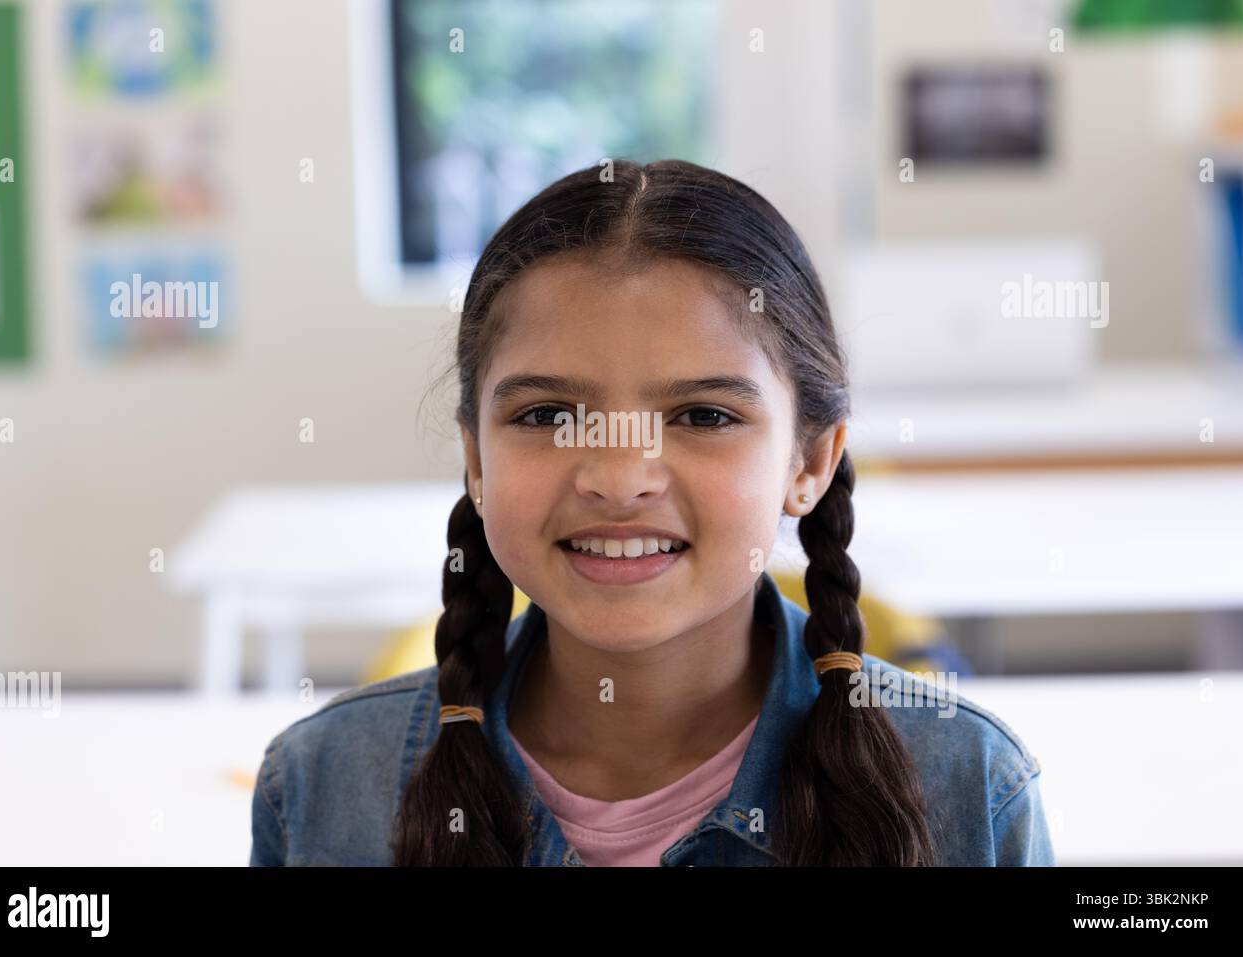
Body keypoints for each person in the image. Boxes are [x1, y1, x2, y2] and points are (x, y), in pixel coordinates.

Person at [250, 158, 1055, 866]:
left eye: (703, 415)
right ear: (475, 457)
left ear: (809, 461)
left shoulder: (967, 789)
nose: (620, 476)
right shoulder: (326, 787)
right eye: (547, 415)